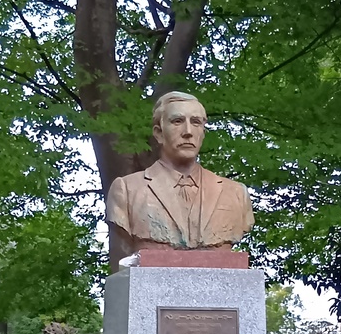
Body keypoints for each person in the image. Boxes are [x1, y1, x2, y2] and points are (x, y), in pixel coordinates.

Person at [106, 91, 254, 260]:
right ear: (159, 133)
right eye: (177, 121)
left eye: (196, 122)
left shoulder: (236, 193)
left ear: (203, 133)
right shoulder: (126, 190)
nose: (188, 132)